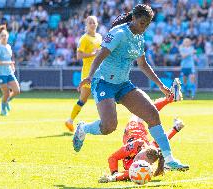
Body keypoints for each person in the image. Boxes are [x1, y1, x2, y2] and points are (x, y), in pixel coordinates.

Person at [73, 4, 189, 171]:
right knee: (109, 126)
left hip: (123, 84)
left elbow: (142, 64)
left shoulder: (139, 37)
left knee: (152, 114)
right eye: (142, 23)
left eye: (147, 24)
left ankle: (170, 158)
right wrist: (90, 76)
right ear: (133, 18)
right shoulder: (118, 34)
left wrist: (161, 86)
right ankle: (83, 128)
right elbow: (100, 56)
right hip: (103, 82)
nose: (144, 27)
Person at [98, 94, 187, 183]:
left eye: (140, 160)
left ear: (149, 164)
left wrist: (114, 178)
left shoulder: (144, 168)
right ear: (141, 150)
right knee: (147, 111)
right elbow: (113, 157)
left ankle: (171, 101)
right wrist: (114, 174)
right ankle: (170, 99)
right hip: (135, 126)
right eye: (139, 156)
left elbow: (128, 172)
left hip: (140, 133)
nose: (137, 161)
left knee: (149, 115)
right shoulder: (136, 145)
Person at [65, 16, 102, 132]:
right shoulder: (84, 39)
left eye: (94, 22)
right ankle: (70, 120)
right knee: (83, 99)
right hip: (88, 73)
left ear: (97, 24)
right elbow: (79, 56)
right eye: (90, 23)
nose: (92, 24)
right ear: (86, 25)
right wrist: (93, 54)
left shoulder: (100, 37)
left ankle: (104, 120)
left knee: (102, 96)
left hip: (99, 73)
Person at [0, 25, 20, 116]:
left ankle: (7, 102)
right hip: (1, 74)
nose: (4, 37)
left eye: (5, 35)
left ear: (7, 36)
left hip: (9, 72)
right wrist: (9, 63)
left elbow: (9, 59)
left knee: (17, 91)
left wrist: (12, 65)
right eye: (2, 36)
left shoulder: (9, 47)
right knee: (6, 93)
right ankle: (3, 109)